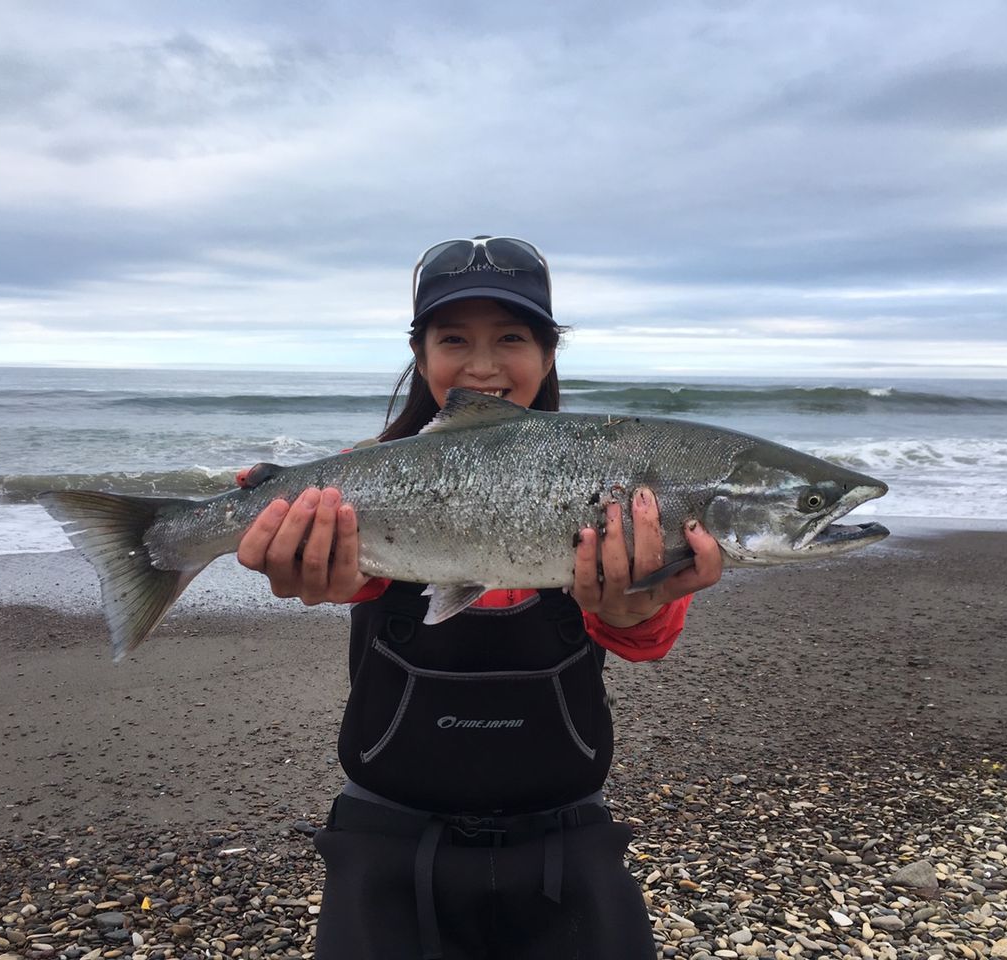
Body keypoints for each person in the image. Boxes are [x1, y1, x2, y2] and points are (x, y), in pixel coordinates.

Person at [236, 236, 723, 959]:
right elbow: (354, 578)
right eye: (454, 339)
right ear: (420, 354)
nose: (484, 364)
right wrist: (298, 558)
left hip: (567, 829)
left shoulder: (614, 493)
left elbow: (645, 640)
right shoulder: (352, 483)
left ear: (549, 354)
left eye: (512, 338)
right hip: (384, 831)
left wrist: (633, 608)